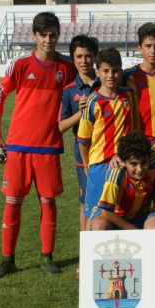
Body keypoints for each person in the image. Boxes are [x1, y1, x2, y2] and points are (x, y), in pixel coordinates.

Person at [0, 12, 76, 278]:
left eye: (53, 35)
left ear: (58, 37)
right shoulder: (21, 64)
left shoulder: (67, 67)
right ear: (35, 36)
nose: (49, 40)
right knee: (13, 203)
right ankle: (7, 260)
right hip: (18, 147)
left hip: (49, 148)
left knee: (48, 203)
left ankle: (47, 257)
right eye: (44, 35)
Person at [77, 47, 138, 225]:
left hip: (124, 164)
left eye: (115, 70)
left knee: (120, 212)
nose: (110, 75)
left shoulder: (128, 96)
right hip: (100, 166)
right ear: (97, 72)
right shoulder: (92, 103)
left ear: (121, 70)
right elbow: (83, 140)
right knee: (94, 214)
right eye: (105, 71)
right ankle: (89, 252)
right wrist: (88, 166)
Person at [59, 35, 99, 231]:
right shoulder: (68, 90)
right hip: (83, 151)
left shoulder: (106, 81)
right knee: (86, 201)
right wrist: (79, 114)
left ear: (95, 57)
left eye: (88, 56)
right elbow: (60, 126)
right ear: (73, 58)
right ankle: (86, 253)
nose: (84, 61)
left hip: (108, 150)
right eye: (79, 56)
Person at [90, 131, 155, 230]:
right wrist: (132, 230)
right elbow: (105, 211)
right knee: (99, 224)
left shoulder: (154, 161)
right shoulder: (116, 174)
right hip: (116, 220)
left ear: (149, 159)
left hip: (138, 219)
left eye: (143, 162)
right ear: (122, 162)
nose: (140, 169)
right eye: (134, 164)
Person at [122, 22, 155, 143]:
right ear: (140, 47)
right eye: (148, 46)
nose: (153, 51)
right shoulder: (128, 76)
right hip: (139, 139)